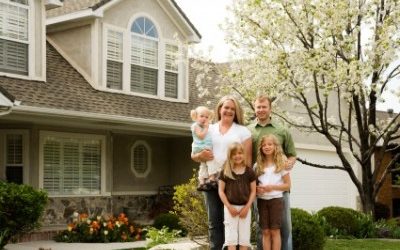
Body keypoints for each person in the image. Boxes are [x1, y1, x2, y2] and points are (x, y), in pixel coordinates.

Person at [192, 95, 252, 250]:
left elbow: (248, 162)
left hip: (233, 182)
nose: (229, 111)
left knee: (233, 223)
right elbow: (194, 153)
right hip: (211, 180)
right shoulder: (208, 128)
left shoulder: (243, 131)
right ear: (219, 109)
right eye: (226, 107)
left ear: (236, 111)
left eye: (233, 108)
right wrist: (201, 156)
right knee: (214, 222)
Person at [248, 95, 297, 250]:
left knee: (284, 227)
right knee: (262, 228)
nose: (261, 110)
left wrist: (289, 163)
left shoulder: (282, 130)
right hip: (259, 188)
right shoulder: (248, 130)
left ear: (270, 108)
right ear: (254, 109)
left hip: (280, 189)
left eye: (264, 107)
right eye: (258, 107)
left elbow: (292, 154)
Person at [255, 134, 291, 250]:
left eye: (270, 144)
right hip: (262, 201)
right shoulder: (257, 166)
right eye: (264, 145)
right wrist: (257, 189)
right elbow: (253, 185)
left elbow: (288, 185)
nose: (267, 147)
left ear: (275, 146)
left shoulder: (281, 164)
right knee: (265, 231)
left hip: (276, 201)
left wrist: (273, 187)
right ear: (261, 148)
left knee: (275, 231)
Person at [218, 142, 256, 250]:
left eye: (240, 153)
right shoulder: (225, 172)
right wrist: (229, 207)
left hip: (245, 208)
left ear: (244, 154)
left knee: (244, 238)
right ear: (230, 156)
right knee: (231, 239)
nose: (237, 156)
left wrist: (247, 207)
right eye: (234, 154)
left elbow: (253, 191)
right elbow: (221, 191)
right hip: (230, 208)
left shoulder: (249, 172)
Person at [190, 106, 218, 191]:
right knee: (211, 161)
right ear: (196, 117)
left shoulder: (209, 127)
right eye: (202, 116)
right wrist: (206, 127)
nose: (204, 119)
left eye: (207, 117)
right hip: (201, 147)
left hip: (203, 147)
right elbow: (201, 136)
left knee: (204, 165)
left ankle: (201, 182)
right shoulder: (196, 126)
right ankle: (212, 179)